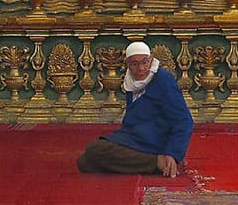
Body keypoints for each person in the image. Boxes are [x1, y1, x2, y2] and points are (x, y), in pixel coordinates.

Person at [77, 41, 193, 177]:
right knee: (84, 162)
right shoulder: (130, 80)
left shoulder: (163, 79)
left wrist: (173, 153)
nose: (141, 68)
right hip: (135, 138)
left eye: (145, 62)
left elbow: (184, 121)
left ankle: (157, 162)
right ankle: (143, 163)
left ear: (151, 60)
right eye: (134, 64)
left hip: (153, 142)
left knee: (94, 151)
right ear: (127, 64)